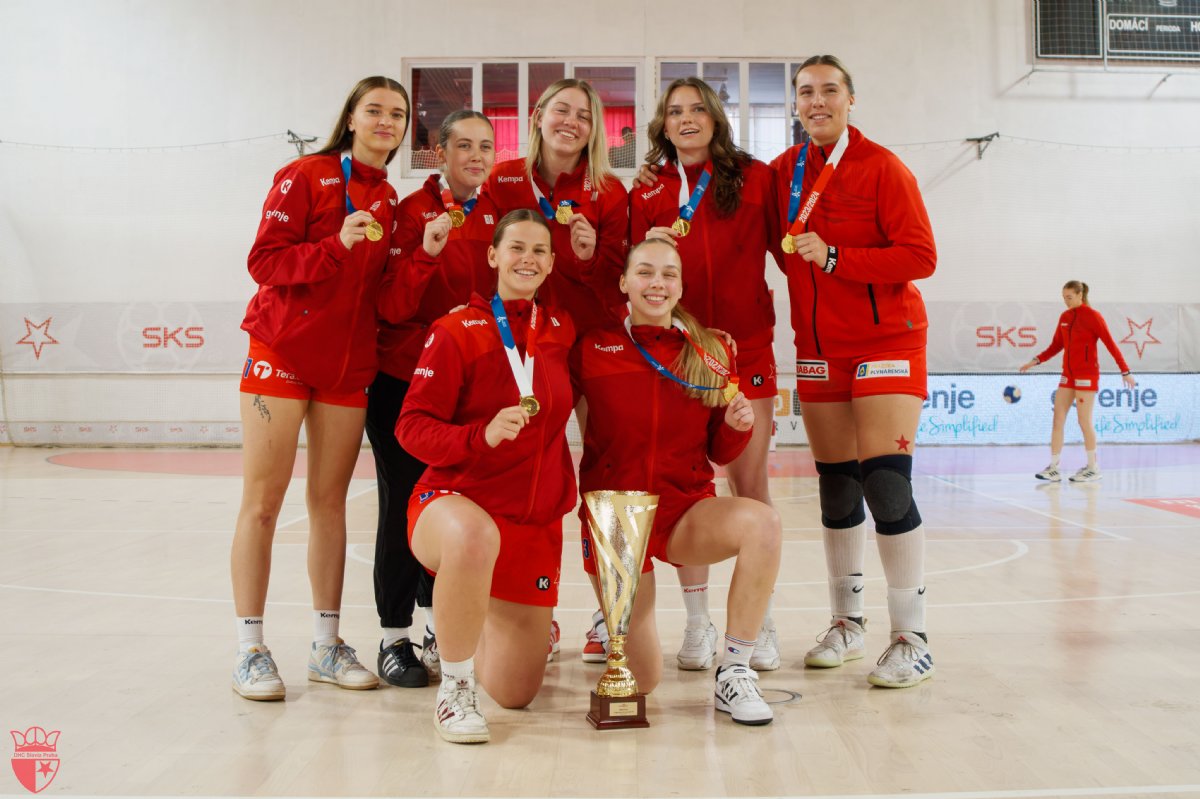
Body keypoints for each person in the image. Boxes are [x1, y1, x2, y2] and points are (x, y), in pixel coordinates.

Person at [231, 76, 410, 700]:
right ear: (351, 118)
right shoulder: (304, 174)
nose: (386, 121)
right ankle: (250, 649)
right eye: (374, 110)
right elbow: (264, 262)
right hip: (281, 353)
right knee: (263, 502)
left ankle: (326, 645)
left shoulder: (389, 198)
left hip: (346, 366)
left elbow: (381, 293)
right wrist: (334, 245)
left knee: (330, 504)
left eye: (397, 114)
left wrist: (423, 258)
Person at [768, 56, 938, 688]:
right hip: (818, 350)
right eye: (806, 92)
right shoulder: (782, 172)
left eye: (829, 90)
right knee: (837, 488)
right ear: (795, 103)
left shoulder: (882, 167)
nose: (818, 101)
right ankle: (847, 624)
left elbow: (920, 255)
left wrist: (838, 257)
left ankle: (912, 638)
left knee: (886, 484)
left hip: (888, 341)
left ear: (850, 99)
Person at [573, 238, 782, 725]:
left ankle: (735, 670)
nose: (657, 283)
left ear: (681, 287)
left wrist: (736, 427)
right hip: (617, 520)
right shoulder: (591, 348)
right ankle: (614, 633)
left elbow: (719, 452)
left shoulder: (710, 352)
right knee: (643, 679)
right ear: (624, 282)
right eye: (645, 272)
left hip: (684, 510)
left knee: (764, 524)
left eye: (669, 274)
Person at [618, 76, 784, 674]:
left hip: (748, 350)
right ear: (662, 124)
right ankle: (696, 623)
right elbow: (635, 271)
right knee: (688, 489)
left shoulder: (756, 178)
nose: (686, 119)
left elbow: (788, 252)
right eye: (674, 112)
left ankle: (760, 625)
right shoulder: (647, 189)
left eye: (696, 109)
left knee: (750, 484)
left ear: (715, 117)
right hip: (680, 349)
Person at [395, 210, 577, 744]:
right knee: (475, 536)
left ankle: (472, 617)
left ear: (551, 263)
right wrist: (478, 435)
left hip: (531, 520)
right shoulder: (456, 330)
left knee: (517, 692)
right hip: (455, 502)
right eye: (516, 247)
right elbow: (410, 426)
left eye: (539, 250)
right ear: (493, 255)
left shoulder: (561, 330)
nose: (528, 259)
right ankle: (454, 688)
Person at [368, 110, 499, 688]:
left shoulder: (496, 214)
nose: (476, 156)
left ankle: (433, 630)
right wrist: (424, 252)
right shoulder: (410, 212)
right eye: (463, 145)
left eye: (485, 146)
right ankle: (393, 636)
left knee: (449, 507)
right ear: (440, 154)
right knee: (401, 506)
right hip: (403, 381)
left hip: (464, 388)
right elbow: (391, 306)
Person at [483, 78, 629, 337]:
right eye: (561, 110)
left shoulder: (609, 191)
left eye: (584, 117)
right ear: (539, 117)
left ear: (592, 130)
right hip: (514, 332)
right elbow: (484, 262)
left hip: (588, 335)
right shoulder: (501, 179)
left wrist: (588, 259)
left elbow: (618, 289)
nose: (571, 122)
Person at [1019, 280, 1135, 483]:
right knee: (1058, 419)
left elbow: (1110, 344)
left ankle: (1093, 467)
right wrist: (1035, 360)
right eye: (1064, 297)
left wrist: (1125, 371)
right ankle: (1053, 467)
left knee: (1083, 421)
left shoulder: (1093, 316)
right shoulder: (1064, 317)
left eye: (1069, 297)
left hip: (1087, 375)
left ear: (1080, 295)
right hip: (1068, 375)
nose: (1066, 301)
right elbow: (1056, 345)